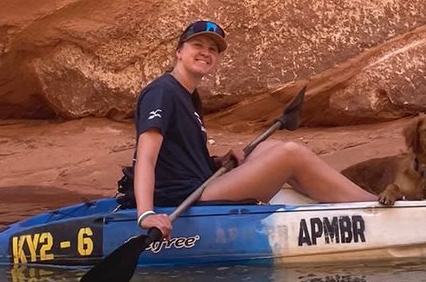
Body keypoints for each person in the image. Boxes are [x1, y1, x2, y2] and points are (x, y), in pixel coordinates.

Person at [132, 19, 375, 239]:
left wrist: (217, 162)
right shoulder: (162, 92)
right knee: (290, 154)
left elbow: (176, 155)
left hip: (200, 183)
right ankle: (374, 204)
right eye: (198, 45)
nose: (205, 53)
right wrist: (146, 215)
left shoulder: (188, 96)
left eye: (213, 49)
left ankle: (334, 201)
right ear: (179, 52)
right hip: (186, 197)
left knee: (268, 147)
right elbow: (146, 157)